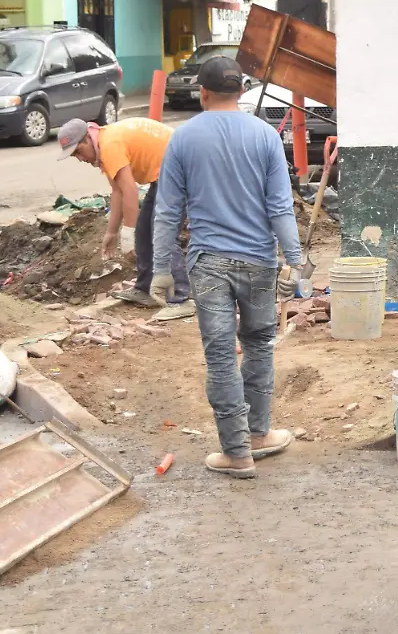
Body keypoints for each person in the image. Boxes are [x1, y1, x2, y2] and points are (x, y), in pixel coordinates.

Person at [151, 56, 301, 479]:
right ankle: (258, 434)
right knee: (257, 344)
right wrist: (295, 262)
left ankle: (237, 453)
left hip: (209, 264)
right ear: (240, 92)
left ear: (202, 93)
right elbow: (280, 208)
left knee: (220, 354)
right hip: (259, 261)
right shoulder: (265, 137)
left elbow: (167, 212)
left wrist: (162, 267)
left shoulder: (183, 139)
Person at [57, 117, 194, 321]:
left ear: (87, 139)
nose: (80, 159)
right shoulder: (103, 145)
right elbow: (118, 192)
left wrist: (127, 233)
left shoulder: (109, 145)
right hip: (167, 173)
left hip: (183, 170)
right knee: (144, 230)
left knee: (162, 233)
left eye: (78, 151)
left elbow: (130, 191)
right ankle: (146, 289)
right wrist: (111, 232)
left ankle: (181, 299)